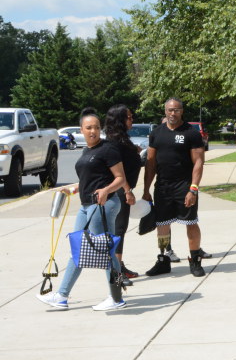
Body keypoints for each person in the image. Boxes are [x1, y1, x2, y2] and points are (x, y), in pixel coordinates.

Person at [37, 108, 128, 311]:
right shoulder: (87, 151)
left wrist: (106, 190)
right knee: (77, 249)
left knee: (105, 251)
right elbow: (89, 179)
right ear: (81, 130)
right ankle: (62, 296)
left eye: (96, 127)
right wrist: (73, 189)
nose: (93, 131)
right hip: (86, 206)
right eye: (89, 128)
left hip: (104, 205)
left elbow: (120, 179)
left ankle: (116, 298)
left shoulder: (108, 149)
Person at [143, 98, 208, 277]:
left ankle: (195, 260)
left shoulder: (191, 133)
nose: (173, 113)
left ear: (182, 111)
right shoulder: (156, 133)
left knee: (191, 223)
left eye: (176, 110)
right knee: (162, 224)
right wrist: (146, 190)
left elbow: (199, 162)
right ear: (165, 111)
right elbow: (150, 164)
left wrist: (193, 189)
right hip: (163, 187)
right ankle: (163, 260)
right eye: (170, 110)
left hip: (184, 187)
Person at [104, 104, 142, 281]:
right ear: (120, 120)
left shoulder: (121, 140)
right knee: (118, 230)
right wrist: (127, 191)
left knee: (120, 230)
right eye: (129, 117)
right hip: (119, 191)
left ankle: (119, 266)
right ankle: (117, 272)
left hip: (123, 189)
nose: (131, 119)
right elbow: (118, 172)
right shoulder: (114, 143)